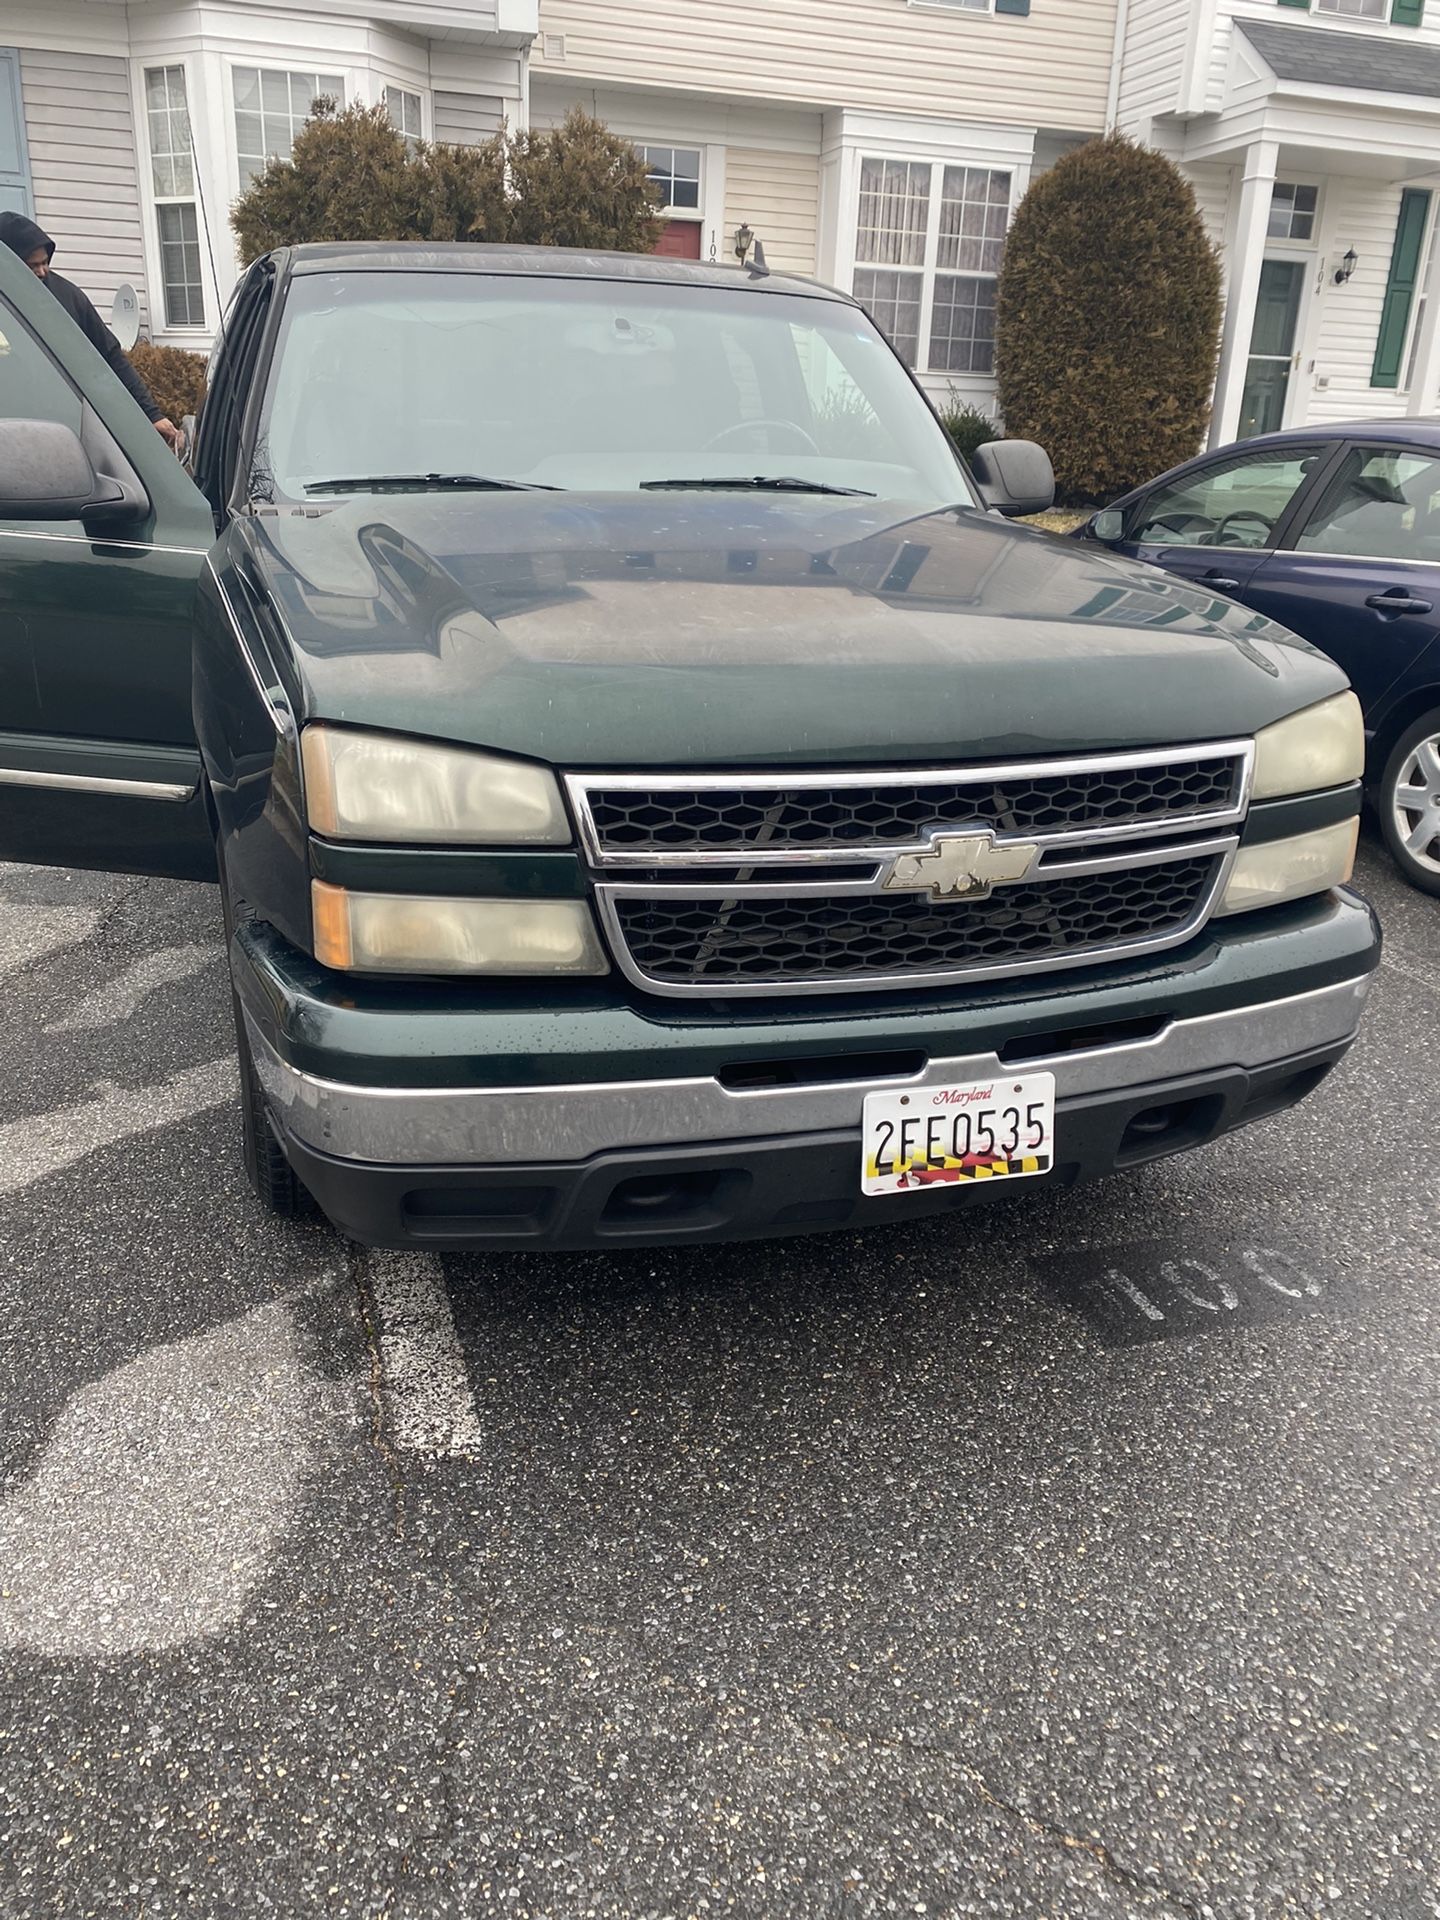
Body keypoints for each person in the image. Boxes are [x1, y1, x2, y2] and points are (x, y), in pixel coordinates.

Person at [0, 211, 181, 449]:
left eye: (45, 263)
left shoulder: (67, 298)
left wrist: (152, 415)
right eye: (32, 265)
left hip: (67, 431)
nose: (42, 272)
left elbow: (111, 357)